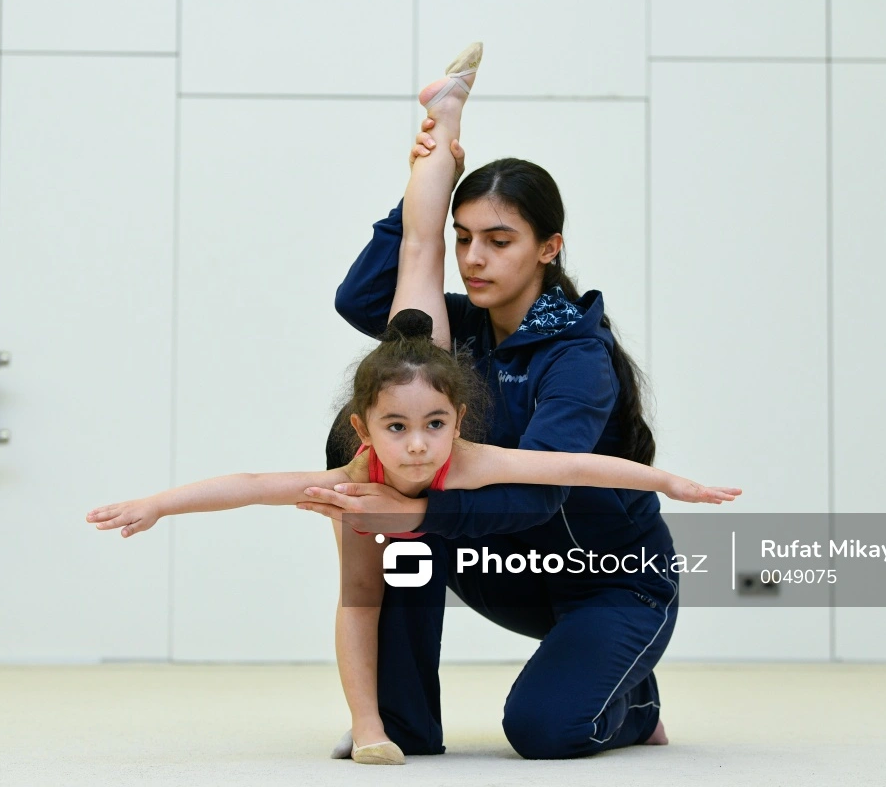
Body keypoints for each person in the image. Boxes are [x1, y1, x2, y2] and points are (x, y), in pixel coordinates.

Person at [300, 43, 717, 762]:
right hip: (508, 565)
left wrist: (413, 509)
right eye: (463, 239)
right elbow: (361, 297)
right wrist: (421, 191)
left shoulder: (578, 359)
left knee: (545, 731)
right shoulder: (461, 330)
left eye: (499, 241)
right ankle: (399, 725)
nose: (474, 260)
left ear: (548, 247)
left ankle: (635, 698)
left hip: (608, 586)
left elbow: (537, 491)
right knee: (386, 484)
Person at [86, 309, 739, 765]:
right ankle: (381, 718)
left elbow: (575, 465)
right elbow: (255, 482)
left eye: (434, 423)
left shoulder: (473, 461)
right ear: (363, 427)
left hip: (573, 573)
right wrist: (157, 506)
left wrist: (673, 483)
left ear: (458, 420)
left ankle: (629, 692)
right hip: (466, 562)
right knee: (362, 589)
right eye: (396, 427)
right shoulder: (355, 477)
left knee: (541, 724)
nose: (418, 445)